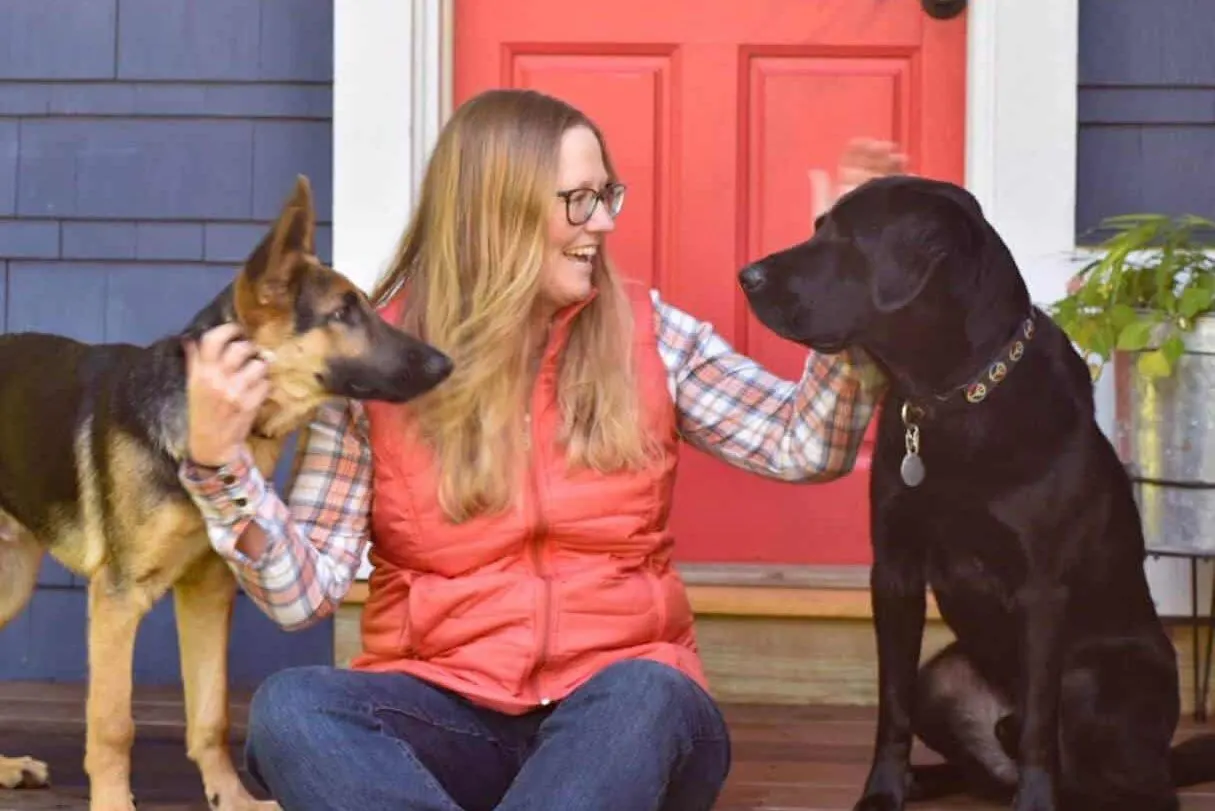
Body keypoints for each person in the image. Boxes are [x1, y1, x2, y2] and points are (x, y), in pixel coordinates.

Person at [179, 88, 898, 811]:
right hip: (446, 712)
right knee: (292, 708)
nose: (606, 221)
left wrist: (852, 288)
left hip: (619, 717)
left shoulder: (649, 334)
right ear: (499, 211)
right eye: (579, 200)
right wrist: (220, 467)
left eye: (607, 194)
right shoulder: (380, 369)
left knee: (647, 692)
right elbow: (303, 594)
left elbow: (804, 444)